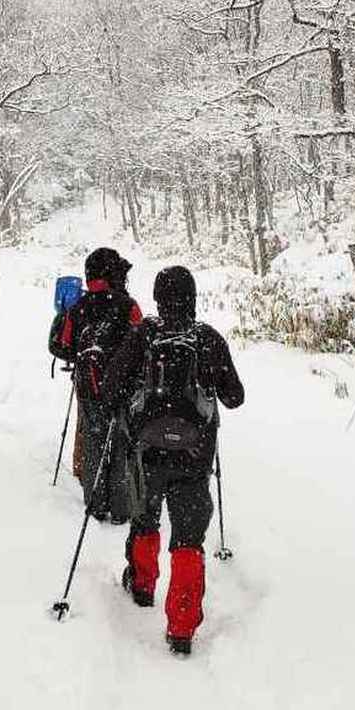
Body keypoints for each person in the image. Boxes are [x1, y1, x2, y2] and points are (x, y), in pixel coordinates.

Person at [102, 266, 244, 656]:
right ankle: (181, 626)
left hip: (148, 452)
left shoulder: (144, 334)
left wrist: (130, 407)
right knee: (188, 539)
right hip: (195, 458)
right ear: (193, 298)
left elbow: (110, 388)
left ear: (158, 298)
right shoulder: (207, 339)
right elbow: (235, 396)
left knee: (145, 519)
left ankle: (143, 586)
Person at [48, 247, 142, 521]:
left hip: (89, 389)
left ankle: (96, 504)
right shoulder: (128, 306)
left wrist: (63, 314)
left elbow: (63, 347)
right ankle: (122, 507)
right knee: (123, 444)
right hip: (124, 390)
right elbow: (143, 342)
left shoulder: (78, 308)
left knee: (93, 443)